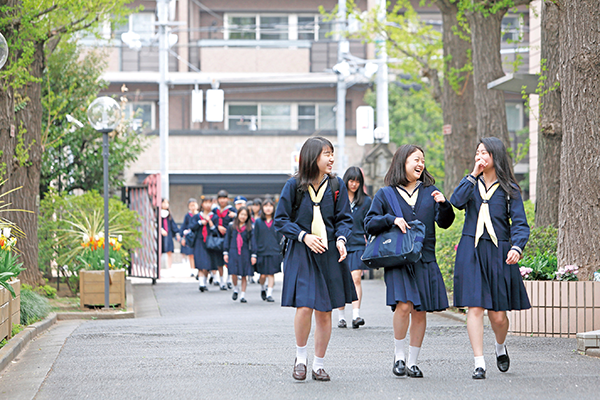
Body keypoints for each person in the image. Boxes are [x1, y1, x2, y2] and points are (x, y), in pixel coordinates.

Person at [364, 144, 455, 379]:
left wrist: (444, 205)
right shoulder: (386, 194)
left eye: (422, 160)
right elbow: (369, 223)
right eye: (415, 159)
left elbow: (445, 223)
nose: (420, 164)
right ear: (402, 162)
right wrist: (391, 219)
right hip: (398, 260)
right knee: (404, 305)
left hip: (424, 258)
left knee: (420, 311)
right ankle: (399, 356)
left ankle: (413, 362)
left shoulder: (430, 191)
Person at [275, 136, 356, 382]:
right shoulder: (294, 186)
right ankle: (300, 358)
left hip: (329, 253)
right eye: (326, 154)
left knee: (324, 310)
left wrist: (341, 240)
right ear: (312, 157)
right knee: (304, 306)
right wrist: (303, 236)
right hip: (302, 251)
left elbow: (344, 219)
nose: (332, 159)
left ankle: (318, 364)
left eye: (332, 154)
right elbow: (281, 220)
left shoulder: (337, 185)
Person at [450, 137, 530, 380]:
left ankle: (499, 346)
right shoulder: (470, 184)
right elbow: (455, 201)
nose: (480, 156)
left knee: (497, 315)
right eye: (478, 152)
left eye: (485, 152)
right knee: (474, 307)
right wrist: (472, 175)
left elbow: (520, 224)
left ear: (496, 156)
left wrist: (516, 247)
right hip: (471, 250)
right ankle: (479, 362)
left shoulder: (509, 189)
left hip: (499, 252)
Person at [336, 166, 372, 329]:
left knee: (356, 278)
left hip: (358, 243)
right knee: (341, 279)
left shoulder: (366, 201)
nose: (354, 184)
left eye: (357, 181)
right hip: (340, 243)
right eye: (351, 180)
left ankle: (356, 315)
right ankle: (341, 316)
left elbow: (369, 224)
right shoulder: (337, 199)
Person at [252, 198, 282, 302]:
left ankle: (269, 294)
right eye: (266, 206)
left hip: (274, 251)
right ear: (262, 208)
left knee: (271, 273)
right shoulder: (258, 222)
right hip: (262, 251)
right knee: (263, 274)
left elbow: (280, 237)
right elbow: (254, 238)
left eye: (270, 206)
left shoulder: (277, 221)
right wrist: (254, 253)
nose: (268, 208)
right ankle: (263, 288)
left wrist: (281, 251)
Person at [223, 206, 253, 303]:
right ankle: (236, 288)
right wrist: (225, 252)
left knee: (244, 274)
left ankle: (243, 295)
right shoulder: (231, 226)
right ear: (238, 215)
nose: (243, 217)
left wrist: (253, 254)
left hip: (245, 252)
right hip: (233, 251)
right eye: (241, 214)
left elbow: (252, 242)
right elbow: (227, 240)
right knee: (233, 272)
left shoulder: (249, 228)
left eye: (245, 215)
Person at [190, 196, 217, 292]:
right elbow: (192, 227)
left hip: (210, 243)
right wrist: (200, 222)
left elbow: (216, 231)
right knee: (200, 263)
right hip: (199, 241)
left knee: (207, 264)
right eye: (205, 203)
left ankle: (204, 282)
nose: (208, 205)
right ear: (202, 204)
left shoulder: (214, 217)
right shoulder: (197, 216)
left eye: (210, 203)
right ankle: (201, 284)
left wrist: (209, 222)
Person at [211, 190, 236, 290]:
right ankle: (221, 280)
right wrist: (218, 227)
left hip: (229, 238)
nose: (222, 200)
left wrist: (235, 216)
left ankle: (229, 279)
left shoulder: (232, 210)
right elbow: (211, 223)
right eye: (220, 198)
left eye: (224, 198)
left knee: (228, 259)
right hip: (218, 238)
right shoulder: (214, 211)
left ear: (227, 199)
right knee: (219, 260)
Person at [181, 198, 199, 278]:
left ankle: (199, 269)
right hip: (190, 237)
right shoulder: (187, 216)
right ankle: (192, 270)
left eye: (194, 205)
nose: (193, 207)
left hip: (198, 236)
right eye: (191, 205)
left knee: (198, 254)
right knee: (190, 254)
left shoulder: (199, 215)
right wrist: (183, 237)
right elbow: (183, 226)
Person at [160, 198, 180, 269]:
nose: (165, 204)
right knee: (160, 251)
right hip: (160, 236)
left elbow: (173, 225)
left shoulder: (169, 215)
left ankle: (169, 267)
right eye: (164, 203)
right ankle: (159, 268)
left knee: (169, 252)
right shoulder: (157, 213)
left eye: (167, 203)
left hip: (168, 235)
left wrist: (177, 233)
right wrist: (161, 230)